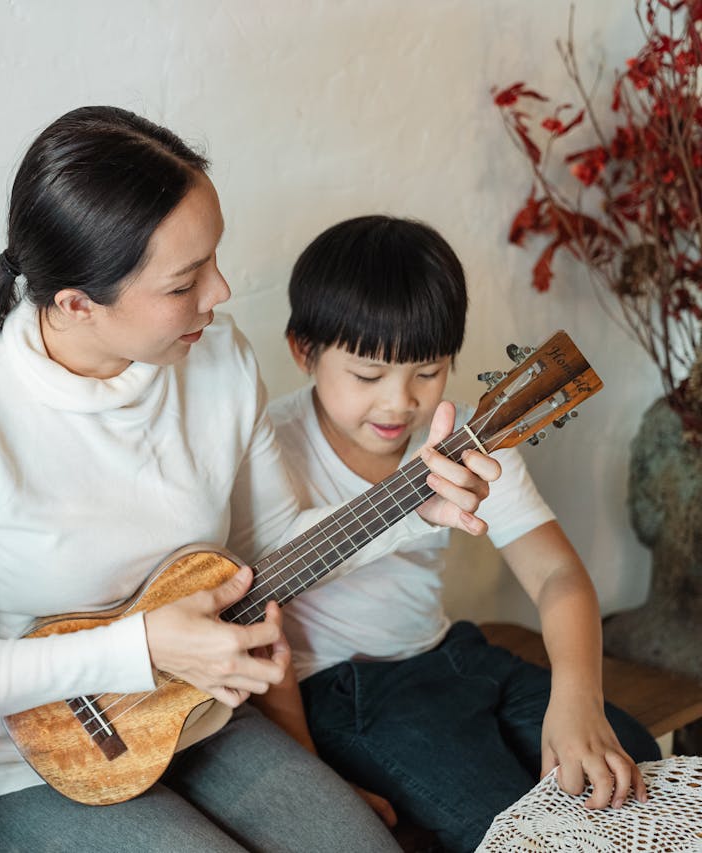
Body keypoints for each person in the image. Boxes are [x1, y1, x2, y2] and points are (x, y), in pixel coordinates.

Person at [0, 107, 500, 853]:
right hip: (25, 761)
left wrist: (415, 509)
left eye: (215, 258)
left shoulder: (217, 358)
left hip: (199, 715)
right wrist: (141, 647)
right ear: (78, 304)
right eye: (185, 282)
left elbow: (271, 549)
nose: (222, 290)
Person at [265, 215, 661, 853]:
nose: (400, 404)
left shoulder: (467, 439)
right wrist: (312, 780)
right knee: (505, 824)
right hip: (345, 690)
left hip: (452, 653)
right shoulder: (267, 445)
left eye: (428, 371)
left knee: (629, 762)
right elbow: (258, 627)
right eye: (368, 376)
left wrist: (579, 699)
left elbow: (556, 574)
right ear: (303, 349)